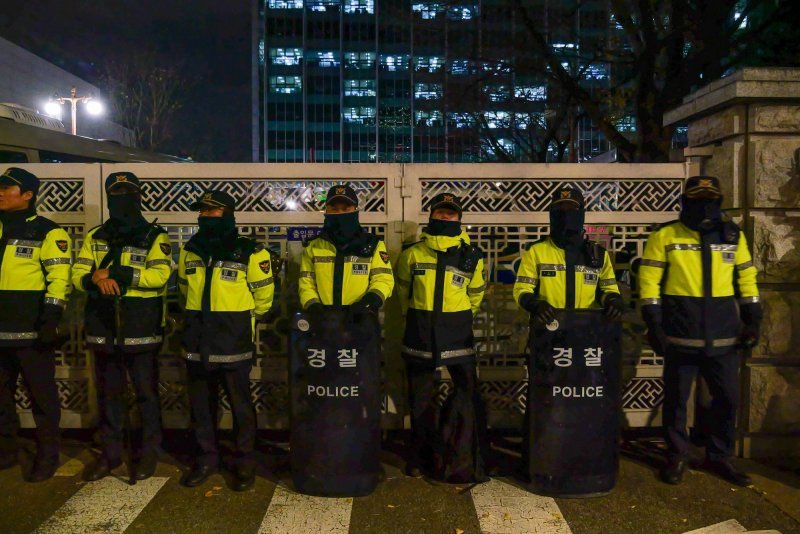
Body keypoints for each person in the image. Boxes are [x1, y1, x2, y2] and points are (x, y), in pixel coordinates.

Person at [639, 175, 761, 487]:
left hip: (724, 336)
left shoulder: (733, 236)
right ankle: (677, 455)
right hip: (680, 334)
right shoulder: (665, 235)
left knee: (728, 399)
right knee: (677, 401)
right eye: (698, 200)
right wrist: (654, 325)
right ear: (686, 202)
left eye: (711, 199)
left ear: (718, 201)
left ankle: (719, 456)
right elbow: (649, 282)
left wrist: (753, 320)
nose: (705, 206)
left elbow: (746, 281)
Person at [72, 171, 172, 482]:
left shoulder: (155, 237)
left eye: (127, 192)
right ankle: (111, 454)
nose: (122, 198)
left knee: (145, 394)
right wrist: (92, 280)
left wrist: (118, 274)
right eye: (115, 193)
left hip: (141, 324)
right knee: (108, 394)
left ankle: (148, 453)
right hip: (103, 323)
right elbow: (78, 273)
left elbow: (159, 277)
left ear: (138, 196)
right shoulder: (96, 236)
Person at [177, 190, 274, 491]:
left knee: (240, 406)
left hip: (233, 342)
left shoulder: (250, 251)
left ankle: (245, 462)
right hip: (197, 341)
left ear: (229, 213)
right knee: (201, 407)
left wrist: (239, 322)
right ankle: (207, 459)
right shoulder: (189, 250)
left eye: (213, 211)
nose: (206, 216)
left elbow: (264, 298)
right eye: (202, 211)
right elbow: (183, 290)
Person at [395, 193, 488, 482]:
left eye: (451, 214)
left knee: (467, 393)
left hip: (458, 333)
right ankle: (422, 457)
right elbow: (402, 293)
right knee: (420, 399)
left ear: (460, 219)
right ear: (431, 215)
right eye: (441, 213)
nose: (445, 218)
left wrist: (457, 317)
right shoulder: (412, 254)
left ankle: (459, 454)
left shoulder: (472, 256)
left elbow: (476, 296)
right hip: (420, 331)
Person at [0, 167, 72, 482]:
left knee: (42, 398)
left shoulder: (48, 232)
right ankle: (5, 452)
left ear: (28, 195)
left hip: (31, 333)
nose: (0, 193)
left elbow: (59, 280)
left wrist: (50, 319)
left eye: (7, 189)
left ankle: (47, 455)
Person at [513, 186, 623, 325]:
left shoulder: (598, 254)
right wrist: (535, 305)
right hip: (547, 328)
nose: (566, 214)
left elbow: (607, 289)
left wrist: (613, 300)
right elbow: (522, 289)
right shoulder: (536, 251)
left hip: (587, 329)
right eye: (560, 210)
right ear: (552, 214)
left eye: (572, 209)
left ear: (581, 213)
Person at [298, 184, 394, 315]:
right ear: (326, 211)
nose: (340, 213)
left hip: (362, 320)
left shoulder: (373, 244)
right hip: (324, 321)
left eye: (345, 209)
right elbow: (306, 283)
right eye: (334, 209)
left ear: (355, 210)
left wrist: (368, 303)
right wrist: (314, 308)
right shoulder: (313, 246)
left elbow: (384, 279)